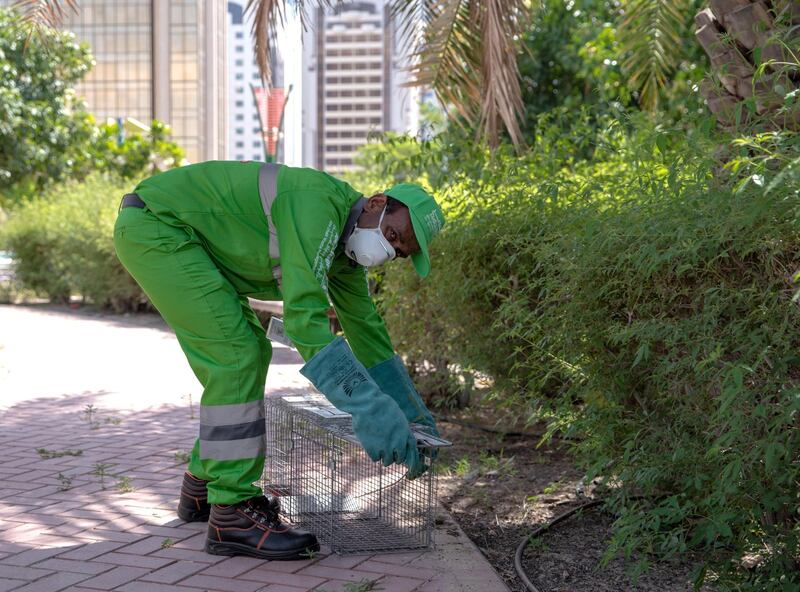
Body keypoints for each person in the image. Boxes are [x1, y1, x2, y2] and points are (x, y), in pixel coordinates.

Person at [113, 160, 445, 560]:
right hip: (159, 228)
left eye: (397, 252)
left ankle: (203, 485)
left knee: (248, 352)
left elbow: (368, 333)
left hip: (185, 239)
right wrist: (368, 408)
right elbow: (305, 322)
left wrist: (411, 414)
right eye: (391, 235)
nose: (386, 251)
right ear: (376, 203)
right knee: (237, 356)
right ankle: (232, 512)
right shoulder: (317, 203)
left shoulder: (345, 255)